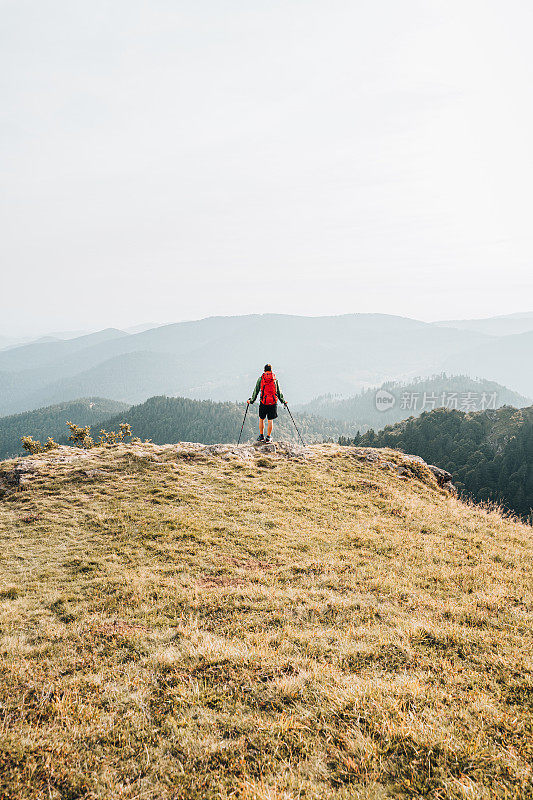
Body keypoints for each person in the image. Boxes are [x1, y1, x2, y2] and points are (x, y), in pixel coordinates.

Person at [248, 364, 286, 442]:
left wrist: (251, 401)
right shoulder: (275, 379)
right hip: (273, 402)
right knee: (270, 420)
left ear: (264, 370)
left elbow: (256, 391)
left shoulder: (261, 379)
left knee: (261, 419)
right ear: (271, 370)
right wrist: (283, 401)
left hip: (263, 402)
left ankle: (261, 436)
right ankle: (268, 437)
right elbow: (279, 391)